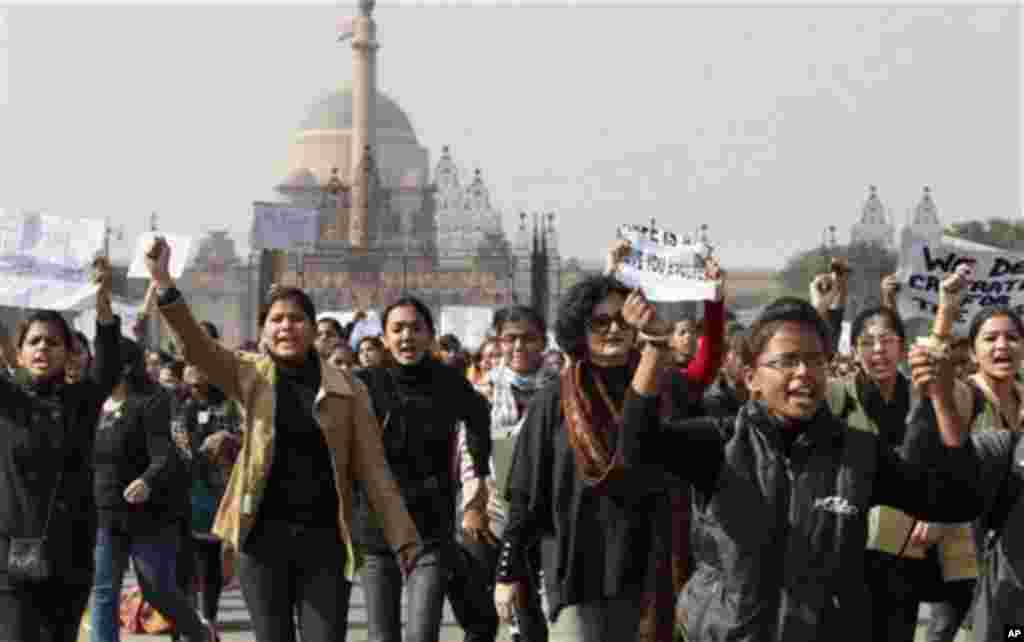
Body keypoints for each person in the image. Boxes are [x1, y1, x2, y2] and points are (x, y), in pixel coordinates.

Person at [618, 294, 982, 641]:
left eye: (815, 360)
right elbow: (637, 449)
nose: (804, 372)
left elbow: (955, 501)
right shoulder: (719, 442)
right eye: (787, 361)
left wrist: (943, 398)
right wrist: (653, 344)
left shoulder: (860, 453)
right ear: (751, 377)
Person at [143, 237, 420, 642]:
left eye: (296, 318)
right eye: (276, 319)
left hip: (324, 541)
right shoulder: (249, 374)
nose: (286, 326)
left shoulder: (348, 389)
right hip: (261, 539)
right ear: (263, 330)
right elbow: (197, 349)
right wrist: (164, 282)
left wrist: (403, 537)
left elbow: (374, 470)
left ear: (313, 328)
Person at [493, 275, 700, 641]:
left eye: (623, 319)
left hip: (650, 566)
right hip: (578, 569)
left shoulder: (668, 390)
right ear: (579, 329)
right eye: (600, 322)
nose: (613, 329)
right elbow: (525, 495)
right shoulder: (554, 400)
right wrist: (507, 572)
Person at [354, 296, 492, 642]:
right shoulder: (365, 384)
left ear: (430, 334)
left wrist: (476, 483)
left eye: (416, 328)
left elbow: (479, 418)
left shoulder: (449, 382)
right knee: (381, 636)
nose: (406, 337)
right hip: (377, 526)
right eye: (397, 329)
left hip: (430, 527)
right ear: (384, 337)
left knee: (421, 634)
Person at [0, 259, 121, 642]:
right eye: (33, 341)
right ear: (18, 354)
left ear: (68, 353)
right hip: (10, 557)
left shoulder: (81, 401)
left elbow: (109, 362)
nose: (42, 348)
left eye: (53, 342)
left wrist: (102, 299)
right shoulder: (8, 400)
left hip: (69, 555)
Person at [903, 268, 1023, 642]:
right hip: (959, 532)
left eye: (1012, 338)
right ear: (973, 351)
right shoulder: (966, 392)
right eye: (991, 339)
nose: (1002, 346)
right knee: (946, 624)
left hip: (1011, 540)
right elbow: (934, 390)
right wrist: (946, 314)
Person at [90, 335, 209, 642]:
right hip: (105, 514)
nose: (96, 363)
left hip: (149, 515)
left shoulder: (152, 400)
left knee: (157, 590)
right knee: (104, 591)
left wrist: (147, 480)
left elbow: (164, 452)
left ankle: (200, 634)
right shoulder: (94, 403)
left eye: (104, 358)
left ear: (126, 365)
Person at [451, 306, 556, 642]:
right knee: (482, 611)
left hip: (544, 514)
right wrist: (473, 505)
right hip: (492, 508)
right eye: (510, 338)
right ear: (498, 342)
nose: (519, 346)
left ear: (543, 341)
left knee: (529, 613)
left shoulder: (562, 391)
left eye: (528, 338)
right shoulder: (483, 391)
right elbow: (470, 453)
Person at [823, 304, 924, 642]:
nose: (878, 350)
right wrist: (827, 312)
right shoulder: (838, 395)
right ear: (853, 350)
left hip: (906, 544)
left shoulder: (920, 399)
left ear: (903, 347)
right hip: (847, 543)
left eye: (887, 340)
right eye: (867, 342)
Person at [174, 361, 243, 636]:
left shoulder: (228, 403)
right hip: (182, 488)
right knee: (181, 562)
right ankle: (182, 623)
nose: (193, 369)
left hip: (216, 491)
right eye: (188, 365)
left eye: (198, 363)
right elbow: (175, 442)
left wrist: (229, 437)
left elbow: (245, 435)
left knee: (208, 559)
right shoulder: (177, 403)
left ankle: (209, 619)